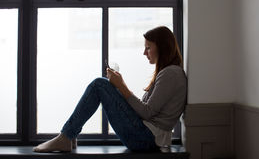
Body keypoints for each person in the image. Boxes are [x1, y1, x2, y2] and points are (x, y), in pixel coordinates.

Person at [33, 26, 187, 152]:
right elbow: (146, 112)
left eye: (148, 47)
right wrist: (118, 89)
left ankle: (66, 137)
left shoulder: (171, 73)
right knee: (103, 85)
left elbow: (147, 112)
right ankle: (69, 136)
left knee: (99, 84)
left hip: (147, 138)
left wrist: (121, 86)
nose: (144, 52)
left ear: (162, 47)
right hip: (146, 136)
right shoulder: (168, 72)